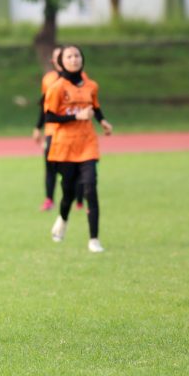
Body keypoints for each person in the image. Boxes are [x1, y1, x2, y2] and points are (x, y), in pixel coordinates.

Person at [44, 45, 113, 253]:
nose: (74, 59)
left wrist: (103, 121)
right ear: (62, 62)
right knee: (69, 193)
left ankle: (94, 239)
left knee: (90, 187)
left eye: (77, 56)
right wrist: (76, 116)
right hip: (65, 146)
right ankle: (63, 218)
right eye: (69, 56)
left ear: (82, 59)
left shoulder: (91, 85)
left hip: (87, 143)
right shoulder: (57, 88)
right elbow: (49, 116)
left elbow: (95, 107)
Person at [33, 47, 85, 212]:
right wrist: (38, 127)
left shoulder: (81, 78)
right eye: (55, 58)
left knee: (76, 166)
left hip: (74, 132)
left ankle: (79, 199)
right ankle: (49, 199)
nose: (57, 61)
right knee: (50, 166)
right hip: (52, 131)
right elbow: (45, 107)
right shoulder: (49, 79)